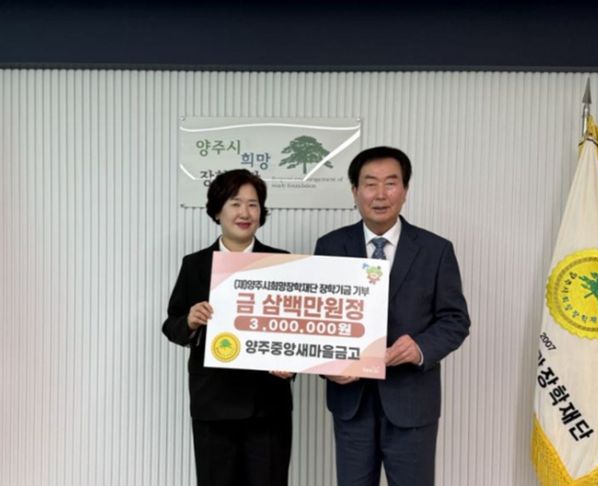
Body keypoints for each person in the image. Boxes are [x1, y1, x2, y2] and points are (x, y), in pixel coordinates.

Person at [314, 146, 470, 486]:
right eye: (370, 184)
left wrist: (420, 348)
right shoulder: (330, 247)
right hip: (351, 404)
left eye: (391, 183)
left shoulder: (436, 250)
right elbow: (318, 321)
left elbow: (455, 319)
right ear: (355, 191)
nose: (380, 194)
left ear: (405, 190)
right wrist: (329, 366)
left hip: (412, 403)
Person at [162, 169, 293, 486]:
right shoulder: (195, 264)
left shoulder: (283, 262)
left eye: (253, 204)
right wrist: (190, 321)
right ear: (217, 210)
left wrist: (292, 362)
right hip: (213, 404)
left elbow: (297, 330)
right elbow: (172, 324)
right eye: (235, 203)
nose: (245, 213)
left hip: (267, 406)